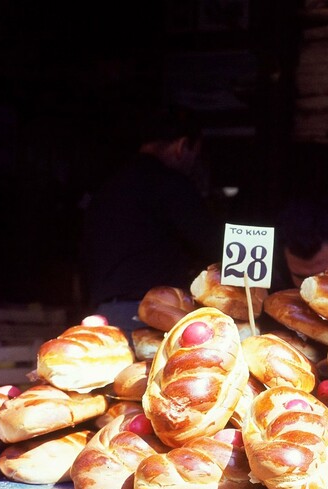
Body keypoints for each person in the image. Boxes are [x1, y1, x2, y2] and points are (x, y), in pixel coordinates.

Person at [79, 105, 223, 333]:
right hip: (152, 316)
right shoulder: (171, 185)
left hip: (102, 315)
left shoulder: (108, 187)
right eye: (195, 154)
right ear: (182, 146)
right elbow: (213, 244)